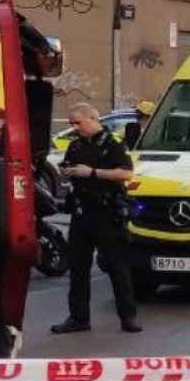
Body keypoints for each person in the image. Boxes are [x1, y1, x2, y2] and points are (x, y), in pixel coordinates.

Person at [52, 102, 139, 334]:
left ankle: (127, 317)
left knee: (117, 266)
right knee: (78, 268)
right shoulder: (75, 146)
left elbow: (126, 173)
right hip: (82, 213)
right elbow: (70, 169)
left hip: (107, 213)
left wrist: (91, 172)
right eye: (71, 124)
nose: (74, 127)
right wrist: (67, 171)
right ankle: (78, 318)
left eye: (77, 123)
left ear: (93, 119)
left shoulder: (112, 144)